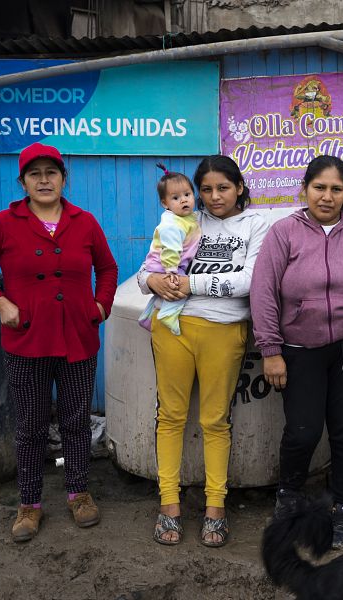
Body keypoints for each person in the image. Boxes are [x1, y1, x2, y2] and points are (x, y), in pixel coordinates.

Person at [0, 142, 119, 543]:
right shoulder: (4, 222)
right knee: (31, 426)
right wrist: (0, 303)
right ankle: (29, 504)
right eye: (35, 174)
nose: (44, 180)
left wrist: (101, 306)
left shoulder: (83, 222)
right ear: (23, 182)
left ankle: (78, 493)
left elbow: (107, 267)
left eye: (52, 172)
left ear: (64, 178)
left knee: (75, 422)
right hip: (27, 339)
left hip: (78, 339)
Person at [250, 155, 343, 550]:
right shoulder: (283, 233)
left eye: (336, 189)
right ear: (304, 189)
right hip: (300, 349)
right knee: (303, 431)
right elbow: (263, 292)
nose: (327, 196)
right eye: (319, 188)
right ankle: (289, 498)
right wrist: (271, 350)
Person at [137, 155, 268, 548]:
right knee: (171, 416)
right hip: (171, 328)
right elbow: (147, 269)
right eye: (205, 189)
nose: (213, 197)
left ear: (240, 187)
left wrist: (190, 284)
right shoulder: (184, 218)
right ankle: (170, 505)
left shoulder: (256, 225)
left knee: (215, 420)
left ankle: (215, 507)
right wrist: (153, 281)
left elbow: (249, 281)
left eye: (223, 188)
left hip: (224, 330)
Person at [137, 163, 201, 335]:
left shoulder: (188, 218)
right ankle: (168, 315)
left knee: (161, 293)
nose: (183, 200)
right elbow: (171, 249)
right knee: (178, 288)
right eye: (175, 198)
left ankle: (147, 315)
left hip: (166, 263)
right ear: (165, 203)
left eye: (187, 194)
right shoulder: (172, 224)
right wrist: (172, 270)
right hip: (166, 264)